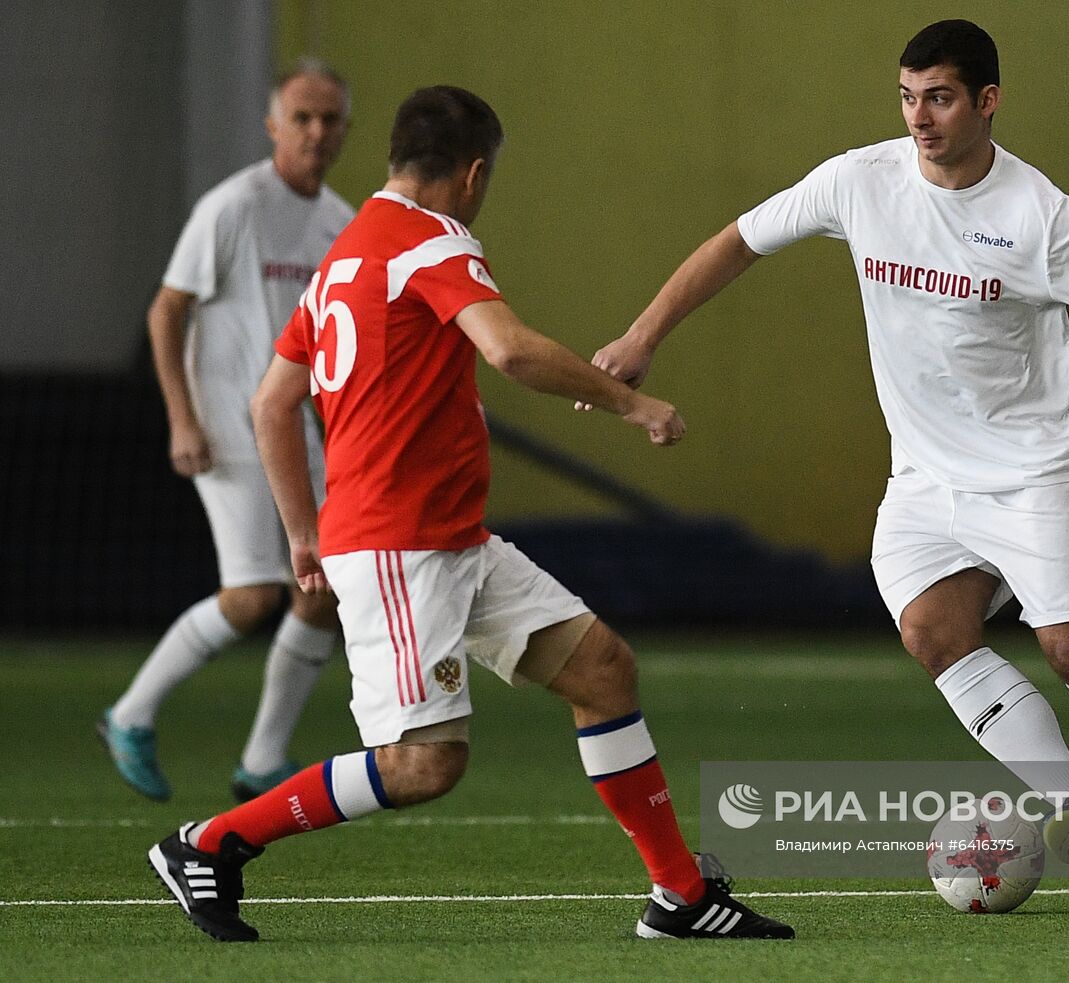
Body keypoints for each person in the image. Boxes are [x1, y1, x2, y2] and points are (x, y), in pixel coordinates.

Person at [588, 20, 1069, 910]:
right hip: (926, 479)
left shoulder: (1036, 214)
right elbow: (738, 240)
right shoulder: (861, 181)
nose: (919, 118)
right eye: (907, 96)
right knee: (935, 632)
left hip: (1035, 470)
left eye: (939, 97)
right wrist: (642, 334)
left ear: (987, 101)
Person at [146, 85, 794, 943]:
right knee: (424, 764)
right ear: (474, 173)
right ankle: (211, 843)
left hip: (446, 537)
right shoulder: (428, 239)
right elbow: (510, 348)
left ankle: (680, 894)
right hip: (401, 543)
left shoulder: (347, 251)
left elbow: (272, 402)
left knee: (602, 669)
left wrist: (304, 532)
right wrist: (631, 405)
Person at [100, 60, 356, 804]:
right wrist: (182, 416)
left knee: (320, 589)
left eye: (329, 119)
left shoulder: (340, 222)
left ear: (344, 130)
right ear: (273, 125)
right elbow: (165, 310)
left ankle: (262, 760)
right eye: (301, 118)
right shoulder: (232, 206)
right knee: (250, 597)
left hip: (293, 430)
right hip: (227, 426)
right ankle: (129, 714)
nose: (315, 131)